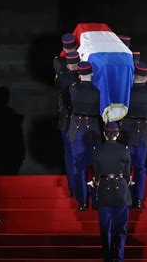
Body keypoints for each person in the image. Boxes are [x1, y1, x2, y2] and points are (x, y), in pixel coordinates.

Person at [119, 62, 147, 209]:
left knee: (125, 167)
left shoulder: (126, 91)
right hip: (143, 132)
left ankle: (126, 197)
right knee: (140, 167)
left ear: (133, 76)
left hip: (127, 131)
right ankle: (139, 200)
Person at [92, 122, 132, 262]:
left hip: (104, 191)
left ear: (104, 134)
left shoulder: (97, 150)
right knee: (121, 229)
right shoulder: (124, 150)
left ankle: (107, 258)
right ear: (118, 134)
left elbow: (96, 175)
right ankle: (119, 258)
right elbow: (127, 176)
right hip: (121, 191)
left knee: (105, 229)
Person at [68, 61, 101, 210]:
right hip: (93, 128)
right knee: (95, 167)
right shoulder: (98, 91)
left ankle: (82, 202)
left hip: (78, 129)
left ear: (79, 75)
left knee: (79, 166)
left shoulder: (73, 89)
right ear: (92, 74)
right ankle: (95, 200)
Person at [55, 51, 80, 195]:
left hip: (68, 121)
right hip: (82, 121)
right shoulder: (86, 80)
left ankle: (74, 190)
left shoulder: (63, 78)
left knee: (71, 157)